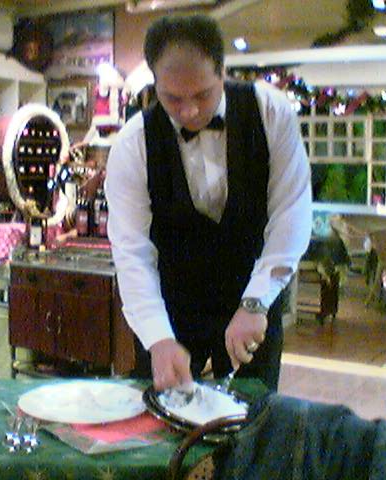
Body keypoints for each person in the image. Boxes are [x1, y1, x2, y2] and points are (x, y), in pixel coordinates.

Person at [104, 14, 312, 392]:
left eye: (202, 95)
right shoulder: (133, 143)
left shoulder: (271, 113)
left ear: (223, 72)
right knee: (161, 416)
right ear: (155, 82)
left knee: (252, 415)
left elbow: (291, 213)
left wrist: (256, 301)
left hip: (253, 296)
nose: (189, 112)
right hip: (170, 307)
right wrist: (157, 337)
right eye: (172, 98)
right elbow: (132, 251)